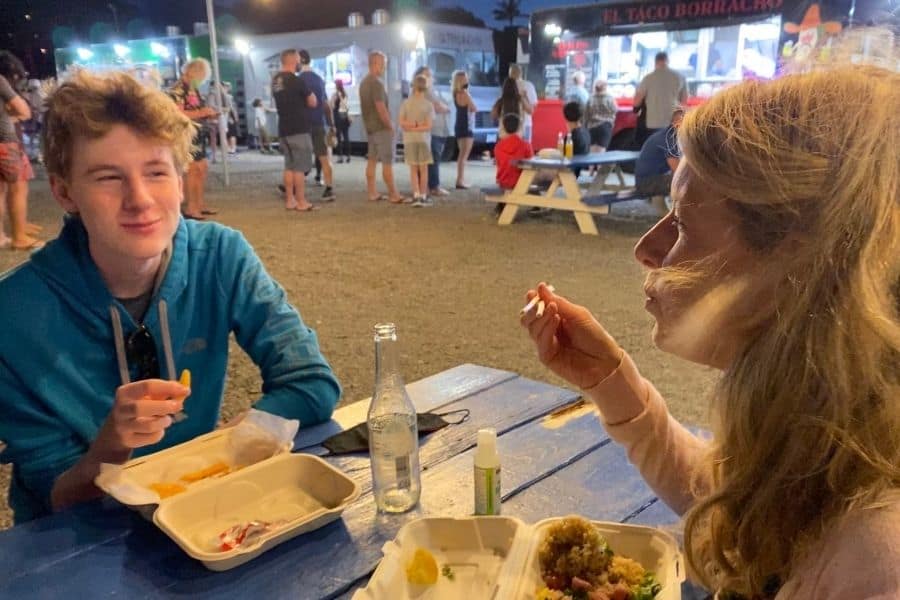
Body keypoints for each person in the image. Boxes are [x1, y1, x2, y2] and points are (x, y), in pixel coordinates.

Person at [522, 64, 900, 598]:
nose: (645, 249)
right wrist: (610, 380)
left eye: (680, 222)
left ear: (792, 265)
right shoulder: (831, 434)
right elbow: (730, 500)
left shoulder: (876, 564)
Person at [0, 70, 341, 524]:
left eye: (156, 172)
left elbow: (312, 383)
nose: (140, 199)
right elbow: (55, 498)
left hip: (201, 517)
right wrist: (112, 445)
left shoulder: (220, 255)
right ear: (65, 192)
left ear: (181, 181)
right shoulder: (13, 315)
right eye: (108, 178)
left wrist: (230, 445)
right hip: (81, 539)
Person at [0, 50, 41, 250]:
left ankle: (2, 235)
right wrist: (11, 116)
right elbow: (24, 110)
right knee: (17, 188)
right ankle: (19, 237)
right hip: (5, 142)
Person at [168, 58, 218, 220]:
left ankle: (199, 204)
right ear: (193, 72)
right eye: (202, 76)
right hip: (185, 134)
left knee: (202, 168)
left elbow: (196, 109)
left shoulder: (192, 89)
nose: (202, 80)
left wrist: (207, 113)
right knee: (192, 170)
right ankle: (191, 207)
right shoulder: (178, 89)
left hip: (197, 132)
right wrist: (202, 113)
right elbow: (177, 113)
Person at [271, 49, 319, 212]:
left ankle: (290, 200)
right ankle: (301, 201)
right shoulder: (297, 80)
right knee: (300, 168)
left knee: (289, 167)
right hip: (299, 129)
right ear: (293, 61)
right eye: (299, 60)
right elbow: (313, 101)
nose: (300, 63)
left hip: (284, 128)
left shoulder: (275, 81)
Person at [359, 51, 402, 204]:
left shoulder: (364, 83)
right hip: (381, 128)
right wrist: (390, 125)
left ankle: (372, 192)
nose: (384, 67)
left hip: (370, 127)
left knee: (372, 159)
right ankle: (393, 194)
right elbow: (380, 107)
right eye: (383, 64)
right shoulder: (376, 83)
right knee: (387, 162)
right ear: (376, 63)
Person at [298, 49, 335, 202]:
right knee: (324, 157)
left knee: (300, 159)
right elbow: (326, 105)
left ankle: (294, 188)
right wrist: (331, 124)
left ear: (301, 60)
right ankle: (329, 188)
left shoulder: (298, 80)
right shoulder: (319, 79)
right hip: (319, 123)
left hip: (304, 125)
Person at [634, 52, 687, 145]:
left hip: (653, 122)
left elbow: (638, 99)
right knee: (669, 147)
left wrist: (635, 109)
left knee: (653, 146)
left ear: (656, 62)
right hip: (672, 121)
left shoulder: (648, 78)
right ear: (667, 61)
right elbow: (684, 100)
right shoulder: (680, 77)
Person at [399, 75, 434, 207]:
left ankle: (416, 194)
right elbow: (429, 126)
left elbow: (401, 122)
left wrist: (411, 126)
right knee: (423, 169)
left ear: (413, 86)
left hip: (409, 139)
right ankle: (423, 195)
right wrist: (419, 125)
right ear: (425, 87)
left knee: (413, 169)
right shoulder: (428, 105)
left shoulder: (406, 103)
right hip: (424, 140)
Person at [415, 66, 451, 198]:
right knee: (433, 159)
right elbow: (438, 107)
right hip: (432, 130)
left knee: (432, 159)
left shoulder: (431, 91)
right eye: (426, 75)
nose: (430, 78)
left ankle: (426, 187)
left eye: (430, 75)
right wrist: (444, 108)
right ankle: (433, 186)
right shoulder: (425, 92)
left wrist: (443, 107)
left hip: (437, 130)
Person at [634, 108, 683, 203]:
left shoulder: (669, 135)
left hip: (651, 180)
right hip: (645, 184)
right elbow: (678, 170)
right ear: (675, 123)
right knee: (687, 182)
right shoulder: (668, 139)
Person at [492, 113, 534, 215]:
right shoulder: (525, 145)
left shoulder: (498, 147)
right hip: (521, 182)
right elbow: (531, 164)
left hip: (503, 181)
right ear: (520, 127)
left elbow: (499, 164)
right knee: (533, 177)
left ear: (503, 128)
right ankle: (538, 204)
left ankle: (502, 203)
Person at [452, 70, 477, 190]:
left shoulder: (455, 93)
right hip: (467, 126)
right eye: (466, 78)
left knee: (461, 154)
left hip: (459, 124)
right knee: (463, 156)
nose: (468, 80)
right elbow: (474, 108)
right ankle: (460, 180)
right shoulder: (465, 94)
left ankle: (460, 179)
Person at [584, 79, 618, 152]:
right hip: (605, 127)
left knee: (591, 152)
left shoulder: (590, 98)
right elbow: (615, 110)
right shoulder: (610, 98)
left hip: (592, 127)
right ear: (605, 87)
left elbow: (586, 115)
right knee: (601, 153)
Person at [508, 64, 537, 143]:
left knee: (511, 148)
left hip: (509, 126)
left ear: (510, 73)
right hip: (525, 124)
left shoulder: (507, 87)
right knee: (525, 148)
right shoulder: (528, 85)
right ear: (521, 73)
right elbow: (534, 105)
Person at [562, 101, 591, 179]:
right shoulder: (586, 132)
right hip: (579, 170)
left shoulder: (570, 138)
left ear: (566, 117)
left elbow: (562, 158)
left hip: (569, 172)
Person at [329, 79, 351, 164]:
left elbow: (332, 106)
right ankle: (348, 156)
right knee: (346, 137)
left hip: (338, 117)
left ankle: (340, 157)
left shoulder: (335, 95)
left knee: (338, 138)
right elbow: (346, 107)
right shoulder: (345, 94)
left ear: (336, 86)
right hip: (344, 116)